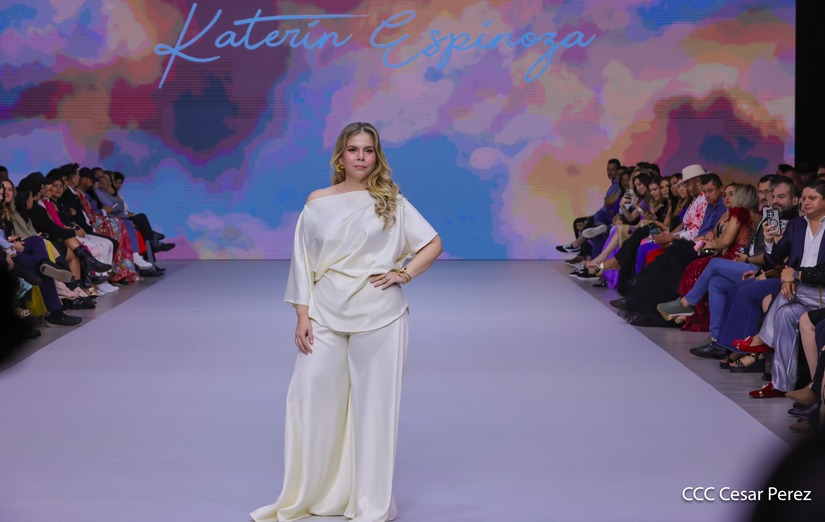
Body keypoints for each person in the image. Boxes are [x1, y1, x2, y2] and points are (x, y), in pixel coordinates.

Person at [251, 122, 443, 522]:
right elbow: (302, 261)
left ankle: (370, 504)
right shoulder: (318, 202)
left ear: (377, 156)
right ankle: (317, 495)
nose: (361, 157)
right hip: (325, 311)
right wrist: (302, 314)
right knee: (311, 402)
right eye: (353, 149)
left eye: (368, 150)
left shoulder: (391, 201)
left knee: (375, 410)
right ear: (341, 156)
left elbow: (432, 243)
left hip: (381, 314)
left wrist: (403, 274)